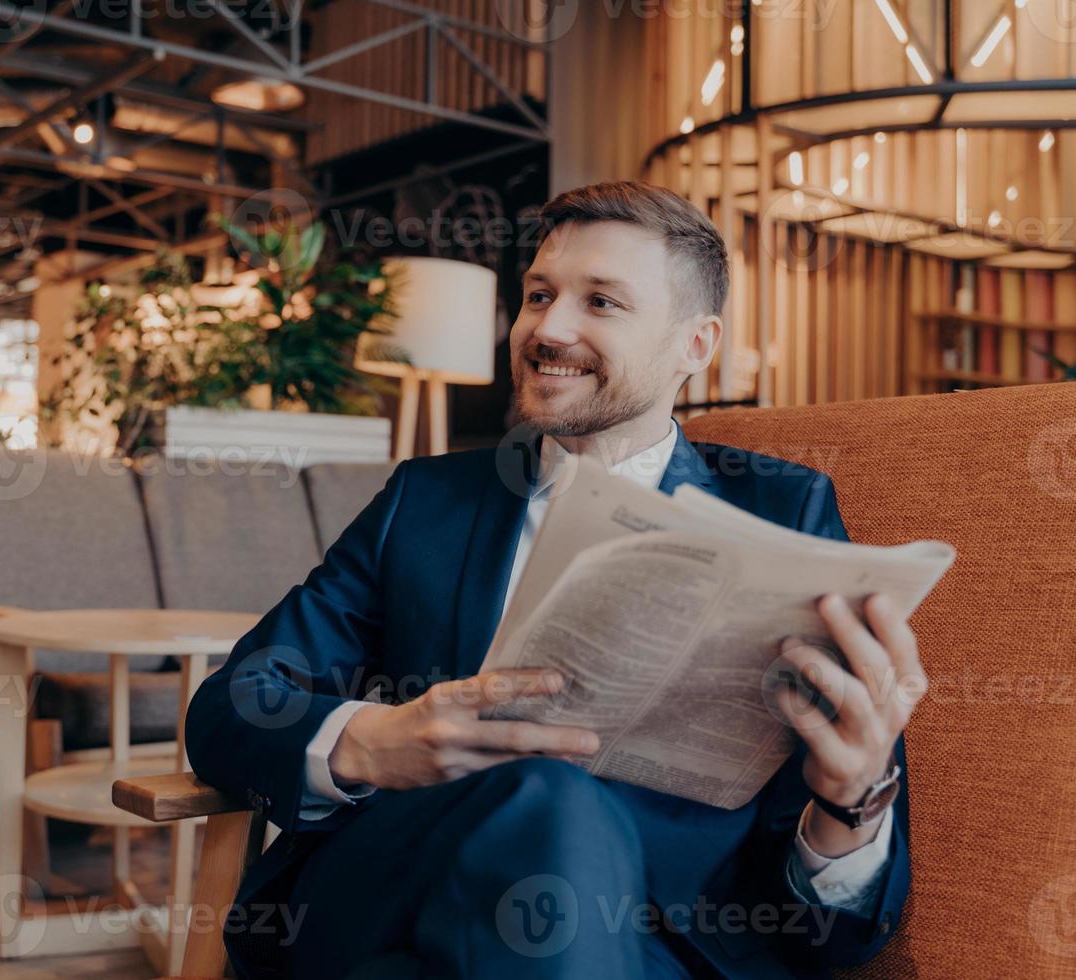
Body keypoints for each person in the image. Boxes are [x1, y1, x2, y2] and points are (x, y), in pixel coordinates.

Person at [185, 182, 921, 979]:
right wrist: (371, 741)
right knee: (547, 795)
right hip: (401, 887)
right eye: (539, 295)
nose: (548, 328)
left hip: (655, 944)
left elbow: (837, 935)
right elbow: (234, 706)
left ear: (694, 347)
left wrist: (851, 802)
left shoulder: (784, 508)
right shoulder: (428, 500)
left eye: (600, 302)